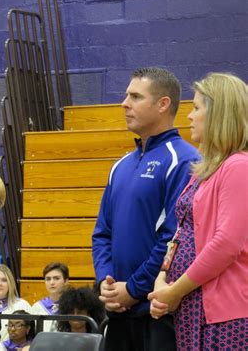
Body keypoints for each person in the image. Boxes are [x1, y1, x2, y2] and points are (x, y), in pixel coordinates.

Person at [92, 67, 200, 351]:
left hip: (159, 316)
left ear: (163, 104)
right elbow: (102, 233)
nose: (124, 103)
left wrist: (134, 289)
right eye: (127, 95)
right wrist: (106, 281)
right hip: (118, 313)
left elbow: (174, 238)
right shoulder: (121, 166)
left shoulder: (184, 160)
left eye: (135, 96)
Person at [148, 73, 248, 350]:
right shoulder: (203, 171)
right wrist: (162, 282)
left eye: (196, 108)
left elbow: (227, 244)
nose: (189, 116)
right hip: (192, 309)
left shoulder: (238, 166)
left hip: (225, 314)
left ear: (218, 114)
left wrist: (174, 291)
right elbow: (179, 233)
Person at [30, 262, 69, 332]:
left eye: (56, 278)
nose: (52, 282)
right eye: (48, 279)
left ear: (66, 281)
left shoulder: (72, 307)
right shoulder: (37, 307)